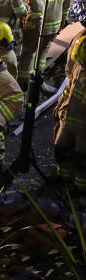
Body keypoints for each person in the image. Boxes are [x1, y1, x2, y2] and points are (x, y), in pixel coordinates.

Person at [18, 0, 73, 86]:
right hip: (54, 25)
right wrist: (63, 17)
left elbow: (38, 6)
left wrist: (33, 22)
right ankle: (37, 78)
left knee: (29, 53)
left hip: (38, 26)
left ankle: (23, 83)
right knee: (42, 54)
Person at [54, 34, 86, 194]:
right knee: (61, 150)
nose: (80, 65)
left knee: (82, 160)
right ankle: (63, 178)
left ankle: (80, 189)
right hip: (68, 119)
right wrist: (61, 103)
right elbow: (70, 86)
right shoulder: (79, 67)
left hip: (84, 127)